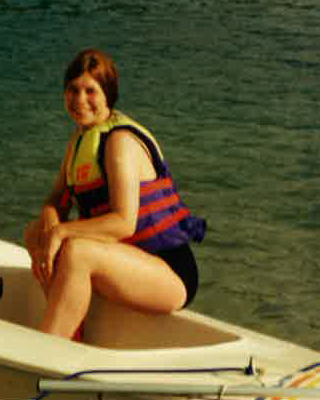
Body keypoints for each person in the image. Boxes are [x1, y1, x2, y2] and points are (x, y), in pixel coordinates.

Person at [24, 49, 206, 339]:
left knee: (77, 251)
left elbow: (124, 223)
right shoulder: (81, 141)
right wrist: (50, 219)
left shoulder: (119, 142)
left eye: (90, 91)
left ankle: (51, 343)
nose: (79, 100)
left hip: (170, 272)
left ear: (108, 94)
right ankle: (73, 333)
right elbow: (57, 197)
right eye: (72, 90)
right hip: (125, 260)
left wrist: (61, 233)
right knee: (36, 233)